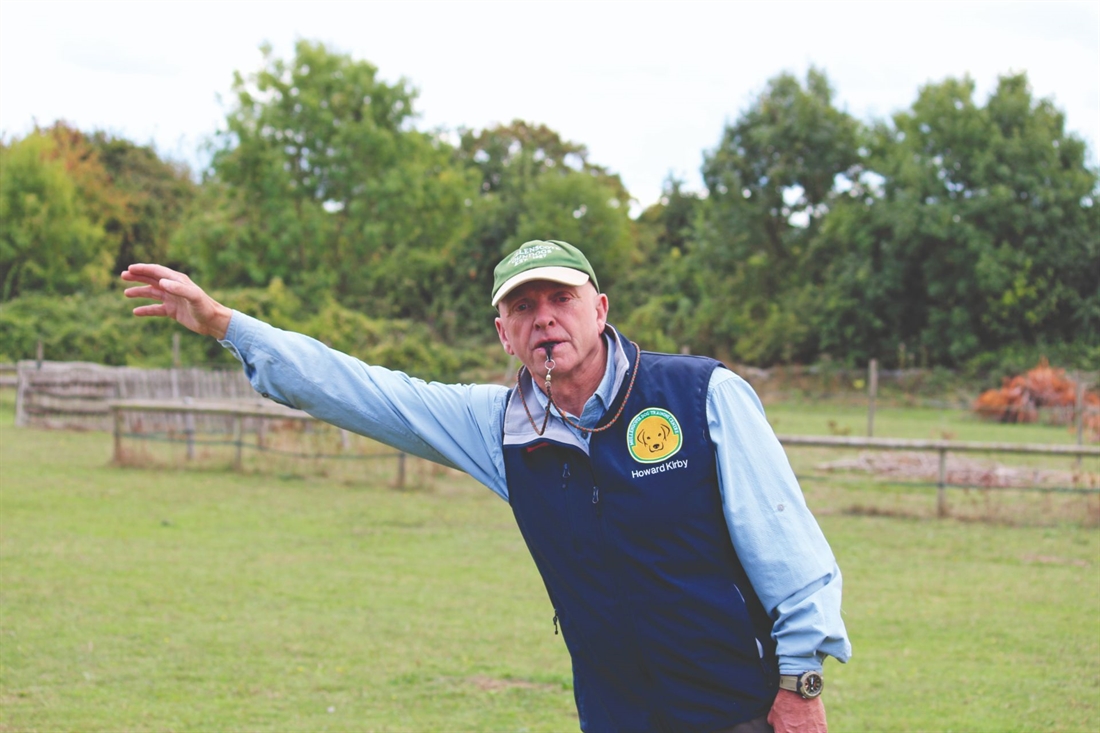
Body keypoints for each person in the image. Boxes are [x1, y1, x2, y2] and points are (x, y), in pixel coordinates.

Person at [122, 239, 850, 733]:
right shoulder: (500, 428)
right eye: (523, 307)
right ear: (503, 331)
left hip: (741, 711)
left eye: (559, 298)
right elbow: (365, 391)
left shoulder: (702, 394)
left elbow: (789, 548)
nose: (544, 319)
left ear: (599, 308)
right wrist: (226, 324)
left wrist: (800, 684)